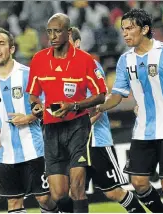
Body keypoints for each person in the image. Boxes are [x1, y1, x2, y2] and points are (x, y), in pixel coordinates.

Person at [26, 13, 107, 213]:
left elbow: (101, 95)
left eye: (58, 31)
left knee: (77, 188)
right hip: (51, 130)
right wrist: (36, 108)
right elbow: (33, 96)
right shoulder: (38, 60)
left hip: (77, 126)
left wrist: (74, 106)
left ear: (68, 32)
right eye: (49, 32)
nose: (52, 36)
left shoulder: (85, 60)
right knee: (58, 195)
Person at [0, 27, 58, 213]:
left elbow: (48, 105)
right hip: (6, 154)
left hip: (34, 149)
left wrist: (30, 117)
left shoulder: (28, 75)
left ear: (12, 49)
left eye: (1, 44)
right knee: (13, 203)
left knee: (44, 198)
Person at [97, 8, 163, 213]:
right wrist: (98, 107)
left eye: (130, 28)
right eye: (123, 29)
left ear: (145, 29)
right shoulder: (125, 60)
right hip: (143, 130)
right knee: (138, 183)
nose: (125, 33)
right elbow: (117, 95)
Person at [70, 26, 146, 213]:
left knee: (112, 192)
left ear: (77, 43)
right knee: (74, 191)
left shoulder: (91, 66)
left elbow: (100, 102)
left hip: (96, 140)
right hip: (73, 143)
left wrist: (81, 125)